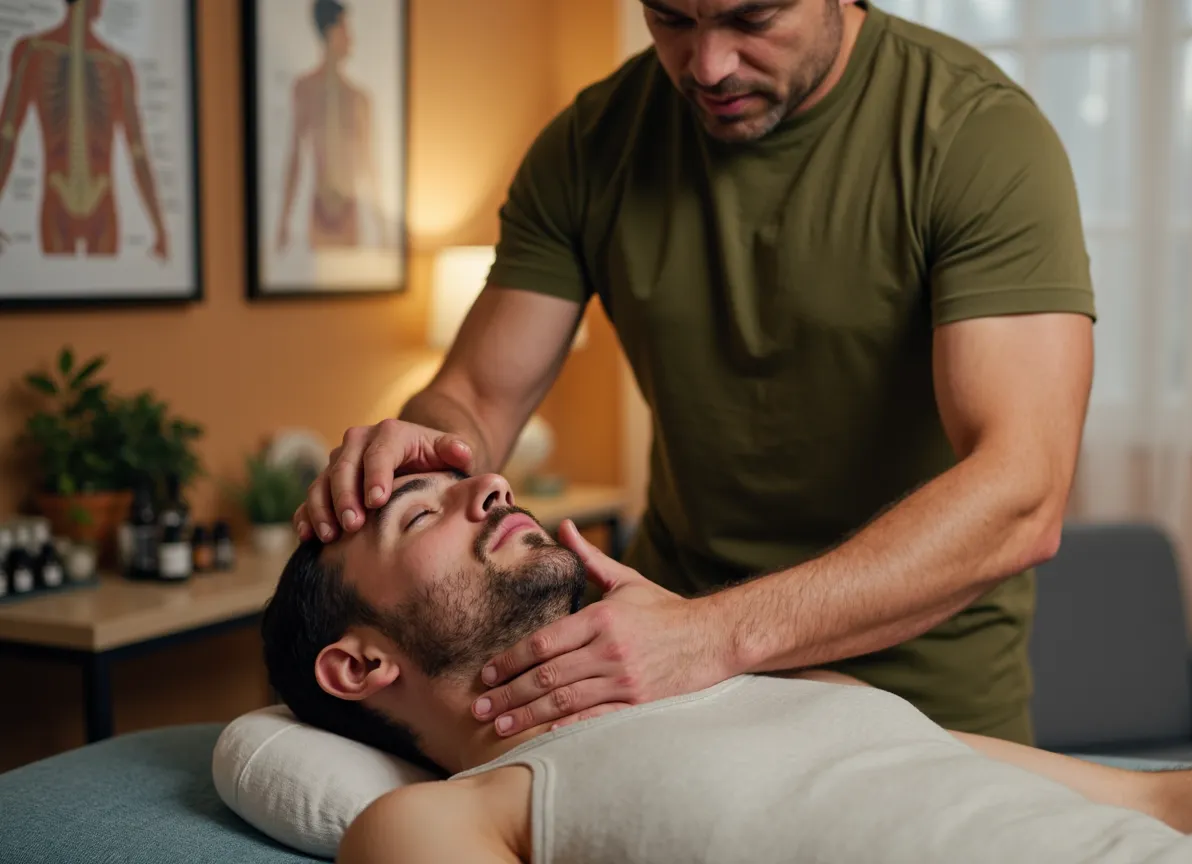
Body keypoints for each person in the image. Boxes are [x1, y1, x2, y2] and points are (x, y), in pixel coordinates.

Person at [294, 0, 1095, 749]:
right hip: (660, 674)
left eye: (752, 17)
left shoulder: (977, 136)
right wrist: (421, 454)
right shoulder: (590, 145)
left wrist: (713, 635)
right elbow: (474, 395)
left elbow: (1022, 488)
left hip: (919, 700)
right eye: (671, 18)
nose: (707, 66)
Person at [264, 470, 1192, 864]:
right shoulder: (445, 816)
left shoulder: (782, 691)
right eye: (419, 515)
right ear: (358, 664)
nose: (490, 481)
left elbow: (1158, 796)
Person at [0, 0, 169, 259]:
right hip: (60, 197)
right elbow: (7, 135)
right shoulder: (32, 52)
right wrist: (160, 229)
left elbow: (138, 151)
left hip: (100, 200)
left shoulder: (117, 65)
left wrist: (160, 227)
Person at [275, 0, 379, 252]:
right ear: (331, 33)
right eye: (345, 30)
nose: (350, 39)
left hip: (349, 212)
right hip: (320, 210)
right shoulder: (306, 89)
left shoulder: (358, 98)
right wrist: (283, 221)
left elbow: (369, 163)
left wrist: (381, 226)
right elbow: (295, 157)